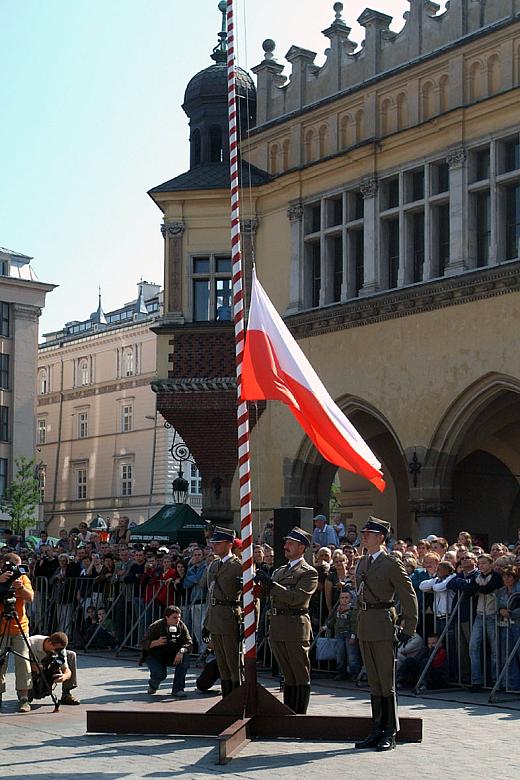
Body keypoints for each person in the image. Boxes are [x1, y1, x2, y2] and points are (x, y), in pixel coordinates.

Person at [354, 517, 418, 752]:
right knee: (374, 681)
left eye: (369, 533)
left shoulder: (391, 563)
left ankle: (390, 731)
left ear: (381, 537)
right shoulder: (361, 563)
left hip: (382, 624)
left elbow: (408, 595)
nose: (364, 536)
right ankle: (376, 728)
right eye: (364, 533)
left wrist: (408, 627)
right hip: (365, 625)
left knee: (386, 681)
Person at [255, 526, 318, 714]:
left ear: (302, 548)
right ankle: (289, 711)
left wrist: (271, 584)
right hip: (278, 626)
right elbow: (266, 594)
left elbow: (295, 598)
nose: (286, 546)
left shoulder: (308, 572)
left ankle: (300, 712)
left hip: (295, 626)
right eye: (286, 543)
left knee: (299, 671)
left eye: (291, 543)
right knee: (287, 672)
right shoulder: (279, 571)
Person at [204, 527, 243, 695]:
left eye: (218, 543)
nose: (214, 546)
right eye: (213, 543)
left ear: (229, 544)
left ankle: (237, 696)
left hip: (229, 616)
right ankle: (227, 697)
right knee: (221, 661)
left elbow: (250, 596)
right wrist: (207, 622)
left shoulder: (238, 566)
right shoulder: (214, 564)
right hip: (215, 616)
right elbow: (209, 593)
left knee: (232, 660)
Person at [0, 552, 35, 712]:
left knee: (23, 662)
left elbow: (30, 597)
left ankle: (24, 698)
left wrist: (20, 587)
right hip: (1, 627)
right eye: (14, 566)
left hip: (20, 626)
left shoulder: (22, 578)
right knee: (0, 664)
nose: (16, 569)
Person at [140, 605, 192, 698]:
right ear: (167, 617)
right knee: (160, 674)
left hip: (172, 654)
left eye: (179, 617)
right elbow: (143, 643)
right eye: (174, 617)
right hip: (155, 655)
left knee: (184, 658)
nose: (177, 620)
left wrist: (181, 651)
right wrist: (155, 642)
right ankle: (153, 684)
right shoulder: (156, 626)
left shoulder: (181, 626)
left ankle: (178, 689)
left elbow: (189, 643)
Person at [27, 631, 80, 705]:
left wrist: (64, 676)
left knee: (71, 654)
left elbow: (67, 670)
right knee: (26, 668)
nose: (58, 652)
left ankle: (66, 694)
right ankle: (25, 695)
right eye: (57, 650)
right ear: (49, 643)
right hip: (32, 670)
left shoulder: (60, 649)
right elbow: (21, 664)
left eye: (61, 650)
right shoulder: (31, 643)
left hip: (46, 668)